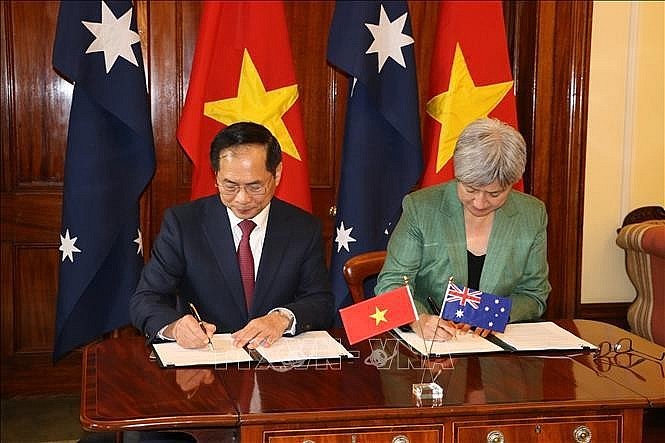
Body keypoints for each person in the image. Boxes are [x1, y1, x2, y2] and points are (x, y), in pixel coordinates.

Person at [130, 121, 334, 350]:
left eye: (255, 186)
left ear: (276, 174)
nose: (242, 199)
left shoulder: (303, 228)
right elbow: (145, 299)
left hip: (277, 365)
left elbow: (321, 301)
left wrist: (282, 318)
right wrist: (175, 327)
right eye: (230, 186)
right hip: (207, 364)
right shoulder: (183, 224)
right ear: (216, 175)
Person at [375, 117, 550, 339]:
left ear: (512, 183)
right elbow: (391, 285)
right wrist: (418, 319)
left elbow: (534, 295)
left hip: (498, 351)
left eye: (495, 194)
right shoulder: (421, 208)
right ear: (458, 175)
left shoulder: (531, 214)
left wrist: (496, 314)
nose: (480, 202)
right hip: (434, 349)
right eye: (470, 189)